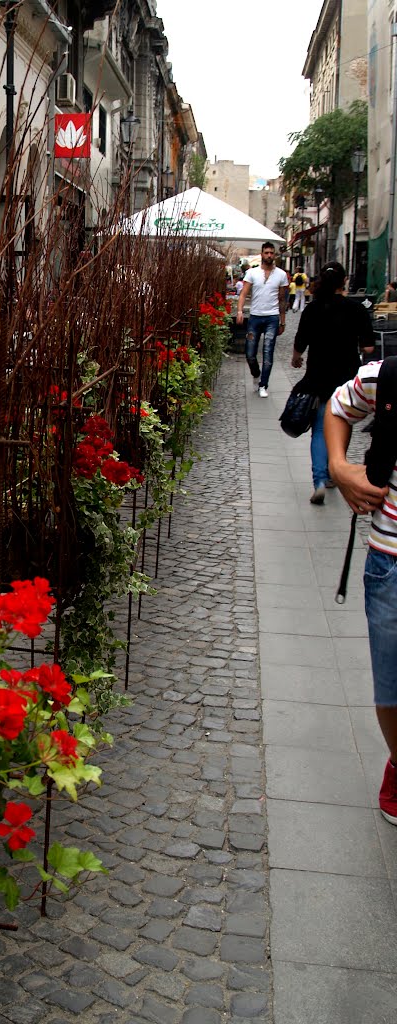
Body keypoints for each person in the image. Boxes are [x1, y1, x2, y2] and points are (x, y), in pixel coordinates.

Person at [325, 365, 397, 824]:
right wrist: (338, 466)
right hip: (392, 557)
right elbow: (337, 407)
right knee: (391, 687)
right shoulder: (387, 377)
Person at [291, 262, 375, 504]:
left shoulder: (313, 308)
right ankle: (332, 472)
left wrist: (296, 359)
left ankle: (319, 479)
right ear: (344, 281)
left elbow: (300, 343)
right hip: (346, 378)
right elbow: (369, 346)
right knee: (341, 424)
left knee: (319, 428)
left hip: (318, 376)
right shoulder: (356, 309)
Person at [236, 241, 289, 397]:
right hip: (255, 317)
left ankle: (263, 385)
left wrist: (282, 320)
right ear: (262, 254)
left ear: (275, 255)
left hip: (272, 318)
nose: (269, 255)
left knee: (268, 353)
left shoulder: (281, 274)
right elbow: (244, 293)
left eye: (271, 253)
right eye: (266, 252)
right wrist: (240, 311)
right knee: (250, 353)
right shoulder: (252, 273)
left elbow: (282, 299)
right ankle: (256, 374)